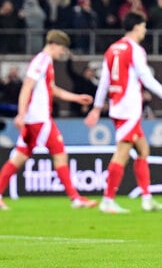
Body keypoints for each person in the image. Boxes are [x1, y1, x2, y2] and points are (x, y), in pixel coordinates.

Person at [83, 13, 162, 214]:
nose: (145, 31)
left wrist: (96, 108)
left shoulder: (112, 49)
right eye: (144, 26)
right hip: (128, 108)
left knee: (142, 150)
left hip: (117, 107)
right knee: (122, 153)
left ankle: (147, 198)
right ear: (137, 27)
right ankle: (107, 200)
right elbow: (147, 80)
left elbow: (104, 81)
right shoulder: (135, 50)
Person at [0, 30, 98, 211]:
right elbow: (26, 87)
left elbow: (51, 89)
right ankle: (75, 198)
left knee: (19, 157)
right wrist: (21, 114)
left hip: (33, 121)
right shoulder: (42, 61)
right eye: (62, 48)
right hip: (39, 120)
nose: (63, 52)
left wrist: (76, 98)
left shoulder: (46, 62)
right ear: (54, 44)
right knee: (60, 154)